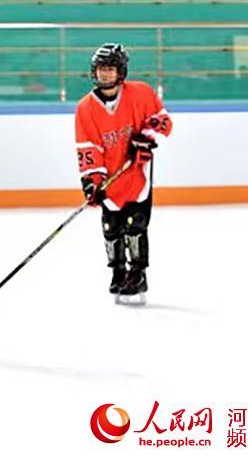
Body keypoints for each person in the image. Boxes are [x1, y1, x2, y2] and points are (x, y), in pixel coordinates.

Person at [75, 43, 173, 306]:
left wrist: (146, 140)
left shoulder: (141, 93)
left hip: (136, 173)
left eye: (110, 68)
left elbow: (162, 120)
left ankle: (138, 274)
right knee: (111, 228)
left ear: (121, 71)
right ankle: (118, 272)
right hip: (110, 179)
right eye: (100, 69)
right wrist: (92, 181)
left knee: (135, 224)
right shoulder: (85, 107)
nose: (105, 74)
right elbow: (88, 146)